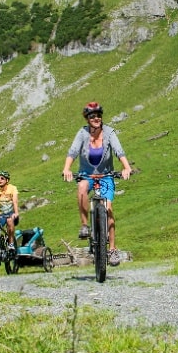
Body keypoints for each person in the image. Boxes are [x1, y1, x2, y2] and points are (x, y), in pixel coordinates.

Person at [62, 101, 132, 265]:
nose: (96, 118)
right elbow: (72, 152)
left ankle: (113, 250)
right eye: (92, 116)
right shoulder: (82, 133)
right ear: (87, 119)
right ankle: (85, 225)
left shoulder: (109, 132)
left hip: (106, 175)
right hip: (87, 176)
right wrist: (67, 168)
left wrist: (126, 168)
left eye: (99, 115)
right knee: (81, 187)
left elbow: (118, 151)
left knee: (108, 209)